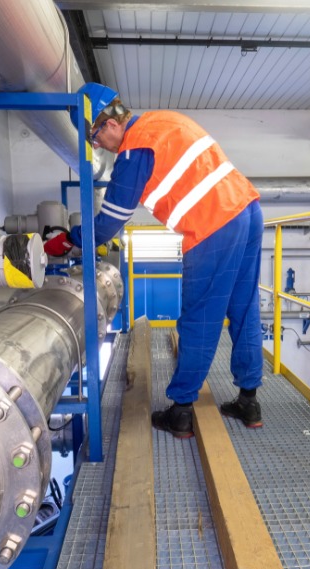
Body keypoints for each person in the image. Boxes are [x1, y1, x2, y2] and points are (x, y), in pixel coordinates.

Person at [45, 83, 264, 438]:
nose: (96, 145)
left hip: (214, 224)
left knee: (200, 317)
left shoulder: (134, 150)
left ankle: (180, 411)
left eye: (95, 136)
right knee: (244, 306)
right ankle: (249, 401)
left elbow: (109, 224)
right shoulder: (162, 121)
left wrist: (70, 241)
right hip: (247, 209)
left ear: (110, 122)